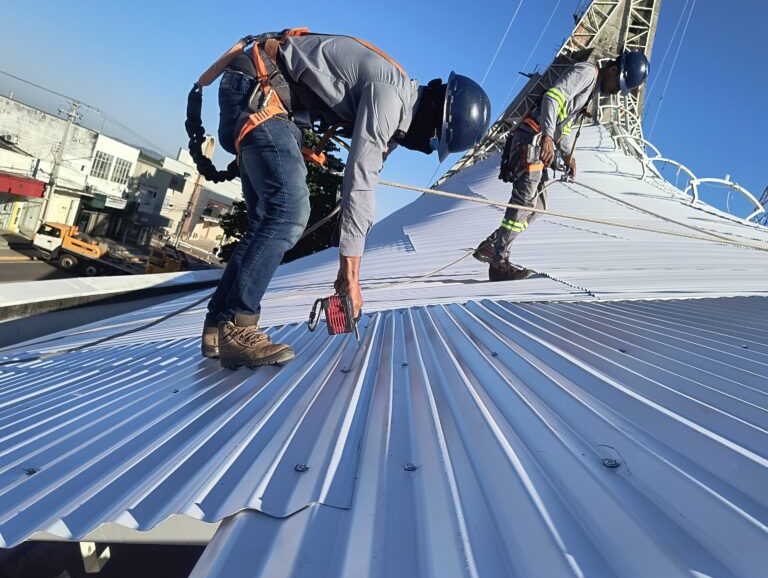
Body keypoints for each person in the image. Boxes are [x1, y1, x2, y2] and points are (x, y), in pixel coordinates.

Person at [200, 30, 491, 368]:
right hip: (258, 89)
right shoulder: (390, 97)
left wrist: (346, 270)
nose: (425, 146)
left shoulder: (395, 108)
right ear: (433, 119)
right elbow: (360, 180)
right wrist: (351, 276)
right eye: (433, 140)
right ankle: (238, 325)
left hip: (257, 90)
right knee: (287, 214)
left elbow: (366, 181)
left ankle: (217, 326)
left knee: (268, 222)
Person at [472, 50, 650, 281]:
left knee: (539, 205)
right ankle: (498, 262)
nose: (616, 91)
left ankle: (492, 245)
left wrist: (566, 155)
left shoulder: (589, 92)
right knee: (524, 200)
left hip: (538, 140)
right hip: (532, 139)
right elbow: (553, 98)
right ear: (613, 70)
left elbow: (563, 124)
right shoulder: (586, 73)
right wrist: (547, 136)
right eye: (618, 85)